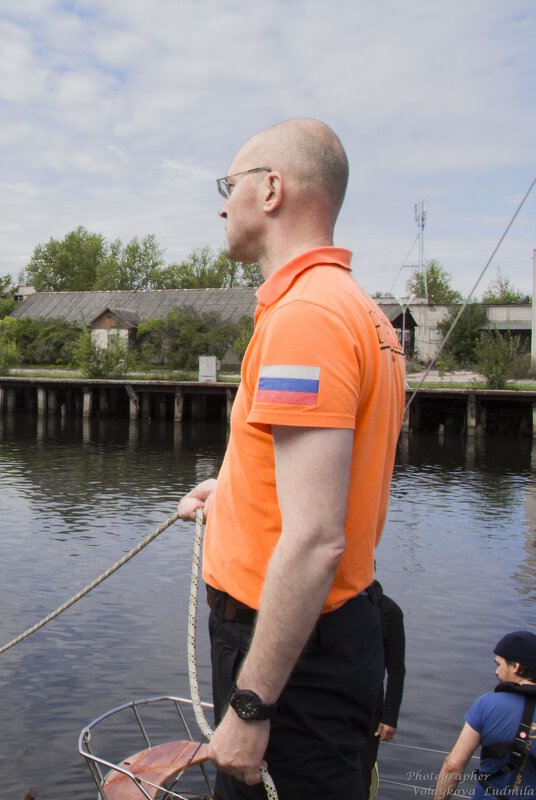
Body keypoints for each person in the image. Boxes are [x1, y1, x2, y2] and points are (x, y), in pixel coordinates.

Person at [176, 119, 406, 797]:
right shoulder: (361, 312)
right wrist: (234, 491)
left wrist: (251, 709)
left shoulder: (306, 317)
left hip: (287, 662)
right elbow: (324, 482)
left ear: (270, 189)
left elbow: (314, 538)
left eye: (230, 184)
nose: (222, 204)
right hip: (327, 641)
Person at [435, 631, 536, 798]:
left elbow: (452, 765)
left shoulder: (487, 704)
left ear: (515, 667)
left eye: (498, 664)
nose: (496, 671)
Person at [363, 580, 406, 797]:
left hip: (370, 703)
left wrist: (390, 717)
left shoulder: (390, 612)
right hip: (335, 698)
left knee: (362, 768)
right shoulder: (338, 606)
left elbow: (396, 669)